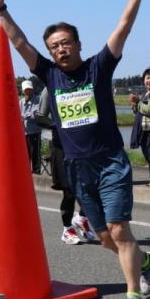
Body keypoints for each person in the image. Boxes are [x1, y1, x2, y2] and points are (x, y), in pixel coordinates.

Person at [0, 0, 150, 299]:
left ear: (78, 44)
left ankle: (132, 298)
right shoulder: (49, 73)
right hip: (78, 168)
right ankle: (146, 261)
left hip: (110, 162)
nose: (60, 49)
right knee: (104, 238)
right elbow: (20, 43)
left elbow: (123, 28)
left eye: (66, 43)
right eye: (54, 46)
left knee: (118, 230)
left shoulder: (99, 67)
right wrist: (1, 11)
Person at [37, 84, 100, 244]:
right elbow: (39, 117)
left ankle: (81, 218)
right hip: (62, 146)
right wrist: (58, 124)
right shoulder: (49, 88)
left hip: (84, 146)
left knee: (90, 186)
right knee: (69, 191)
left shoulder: (83, 86)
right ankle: (67, 230)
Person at [20, 79, 43, 173]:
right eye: (26, 89)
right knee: (26, 153)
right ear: (23, 91)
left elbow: (35, 113)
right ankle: (26, 171)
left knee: (35, 152)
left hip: (35, 131)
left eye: (30, 89)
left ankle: (36, 171)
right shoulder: (21, 102)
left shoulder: (38, 99)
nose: (28, 91)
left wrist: (23, 116)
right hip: (24, 132)